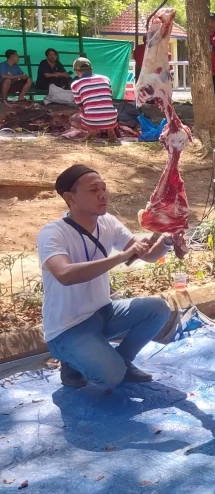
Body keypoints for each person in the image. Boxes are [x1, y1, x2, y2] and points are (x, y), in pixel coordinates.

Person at [40, 165, 173, 389]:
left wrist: (168, 240)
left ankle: (122, 360)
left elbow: (148, 255)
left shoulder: (107, 222)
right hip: (67, 327)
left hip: (102, 313)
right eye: (93, 190)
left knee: (158, 309)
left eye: (104, 188)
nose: (103, 195)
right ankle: (70, 360)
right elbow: (64, 274)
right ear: (70, 197)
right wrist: (121, 257)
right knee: (111, 377)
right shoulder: (53, 233)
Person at [69, 57, 119, 143]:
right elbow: (110, 99)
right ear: (91, 69)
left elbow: (81, 107)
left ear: (76, 71)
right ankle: (111, 131)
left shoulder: (75, 84)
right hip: (111, 118)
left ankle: (92, 131)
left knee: (73, 118)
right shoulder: (105, 79)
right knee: (107, 108)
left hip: (91, 120)